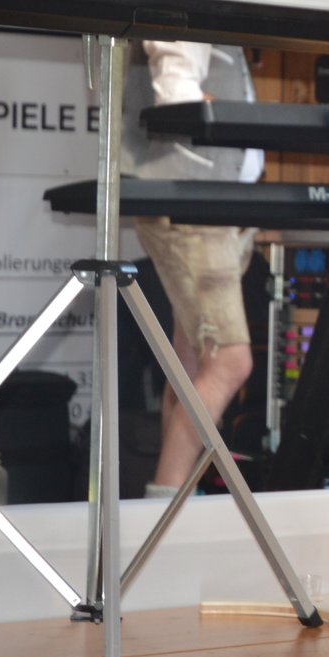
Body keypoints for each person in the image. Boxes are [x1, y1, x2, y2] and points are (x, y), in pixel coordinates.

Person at [121, 40, 263, 497]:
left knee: (192, 362)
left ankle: (172, 510)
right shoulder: (189, 10)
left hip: (208, 203)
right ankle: (164, 516)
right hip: (193, 203)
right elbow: (176, 95)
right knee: (228, 362)